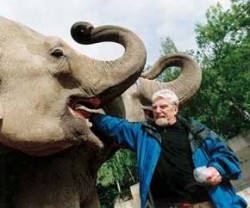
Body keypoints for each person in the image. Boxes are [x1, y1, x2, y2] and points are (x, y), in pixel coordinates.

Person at [89, 89, 247, 208]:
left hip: (205, 203)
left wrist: (217, 169)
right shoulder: (143, 133)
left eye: (163, 106)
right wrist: (89, 114)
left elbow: (225, 152)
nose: (157, 111)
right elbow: (116, 127)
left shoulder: (195, 130)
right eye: (154, 107)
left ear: (175, 109)